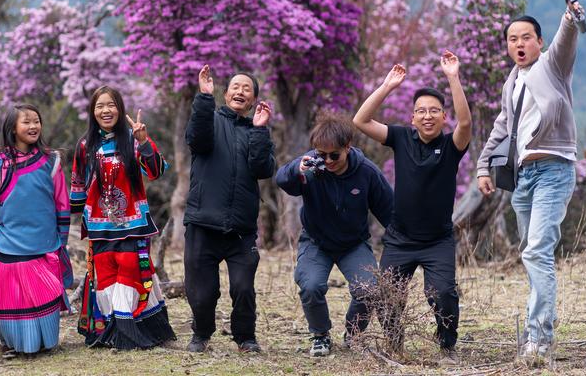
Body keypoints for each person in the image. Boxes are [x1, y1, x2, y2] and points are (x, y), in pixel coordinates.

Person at [476, 0, 586, 362]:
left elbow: (566, 41)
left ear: (539, 42)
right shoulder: (512, 82)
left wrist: (569, 18)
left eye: (526, 37)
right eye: (512, 39)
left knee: (536, 250)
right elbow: (502, 127)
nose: (519, 44)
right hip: (523, 179)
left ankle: (538, 337)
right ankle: (537, 324)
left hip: (554, 170)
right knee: (532, 254)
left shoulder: (552, 67)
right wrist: (482, 166)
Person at [353, 51, 471, 364]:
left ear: (444, 118)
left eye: (435, 111)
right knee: (389, 298)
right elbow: (360, 121)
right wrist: (387, 86)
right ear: (412, 117)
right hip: (400, 239)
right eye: (421, 111)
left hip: (437, 240)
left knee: (442, 294)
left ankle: (447, 344)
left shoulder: (451, 146)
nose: (428, 116)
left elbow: (467, 121)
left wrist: (453, 77)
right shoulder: (401, 138)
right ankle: (395, 345)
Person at [275, 114, 394, 357]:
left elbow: (389, 211)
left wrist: (405, 242)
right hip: (316, 241)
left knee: (369, 289)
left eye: (334, 155)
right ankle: (320, 335)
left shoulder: (367, 172)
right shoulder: (309, 166)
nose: (327, 160)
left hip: (353, 243)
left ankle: (353, 332)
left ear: (347, 147)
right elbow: (282, 181)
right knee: (310, 285)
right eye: (322, 154)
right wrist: (296, 170)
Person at [70, 85, 175, 349]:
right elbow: (78, 187)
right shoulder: (85, 146)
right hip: (99, 226)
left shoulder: (132, 140)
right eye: (99, 106)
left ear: (120, 108)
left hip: (132, 224)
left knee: (130, 271)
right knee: (104, 279)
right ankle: (113, 332)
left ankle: (133, 332)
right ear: (92, 112)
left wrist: (143, 141)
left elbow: (155, 172)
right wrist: (67, 216)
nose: (106, 111)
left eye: (111, 105)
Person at [0, 103, 73, 357]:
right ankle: (12, 342)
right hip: (7, 243)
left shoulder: (51, 161)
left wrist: (61, 240)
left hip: (44, 243)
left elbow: (62, 203)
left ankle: (41, 342)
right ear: (13, 128)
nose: (33, 126)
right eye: (26, 122)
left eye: (36, 121)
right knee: (10, 299)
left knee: (44, 295)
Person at [184, 65, 275, 353]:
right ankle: (201, 334)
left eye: (247, 89)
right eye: (235, 86)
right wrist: (204, 97)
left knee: (244, 288)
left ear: (253, 100)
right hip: (203, 222)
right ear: (225, 94)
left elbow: (264, 169)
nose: (240, 91)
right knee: (202, 292)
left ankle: (245, 338)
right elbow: (196, 139)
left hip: (241, 229)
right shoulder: (208, 120)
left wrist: (260, 130)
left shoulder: (256, 132)